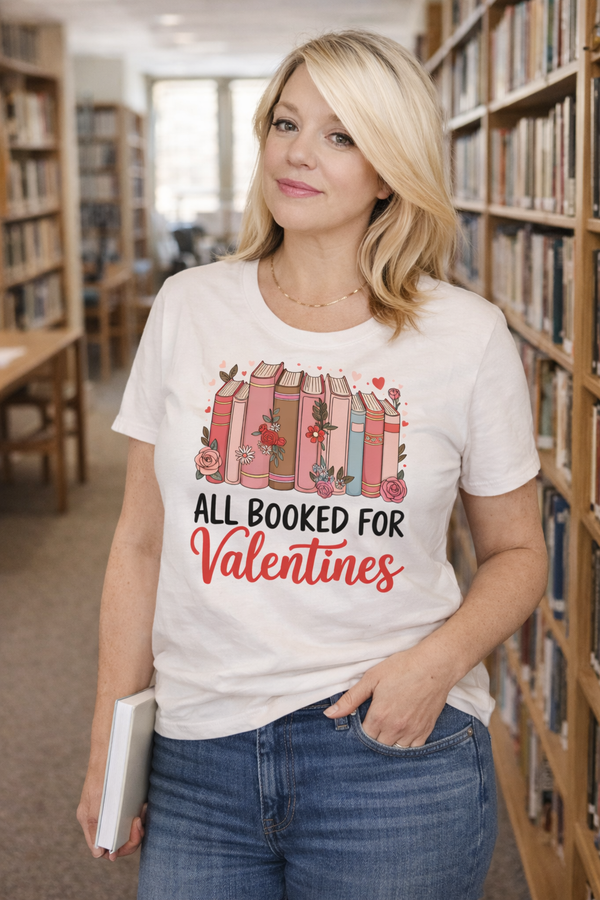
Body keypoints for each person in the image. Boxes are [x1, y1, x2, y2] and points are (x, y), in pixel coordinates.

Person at [77, 30, 547, 900]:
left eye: (340, 135)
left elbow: (520, 555)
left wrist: (433, 668)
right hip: (198, 751)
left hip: (392, 752)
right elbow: (140, 540)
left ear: (390, 166)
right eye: (285, 123)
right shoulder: (189, 307)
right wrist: (111, 727)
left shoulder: (465, 333)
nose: (297, 153)